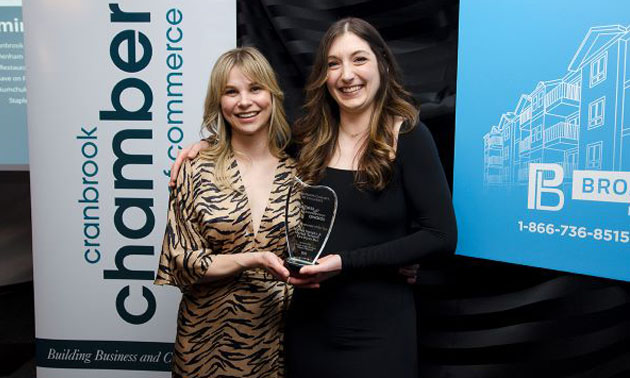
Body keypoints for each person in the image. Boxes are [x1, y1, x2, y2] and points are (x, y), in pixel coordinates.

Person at [282, 18, 457, 378]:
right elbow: (248, 149)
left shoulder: (408, 136)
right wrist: (202, 149)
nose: (346, 75)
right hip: (309, 328)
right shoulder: (310, 137)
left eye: (358, 59)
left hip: (378, 334)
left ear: (382, 63)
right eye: (334, 63)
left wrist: (345, 262)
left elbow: (441, 236)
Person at [154, 47, 296, 378]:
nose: (244, 102)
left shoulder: (300, 172)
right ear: (218, 102)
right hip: (206, 343)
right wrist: (255, 258)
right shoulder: (195, 168)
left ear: (272, 94)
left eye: (255, 88)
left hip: (277, 340)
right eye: (231, 92)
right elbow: (182, 262)